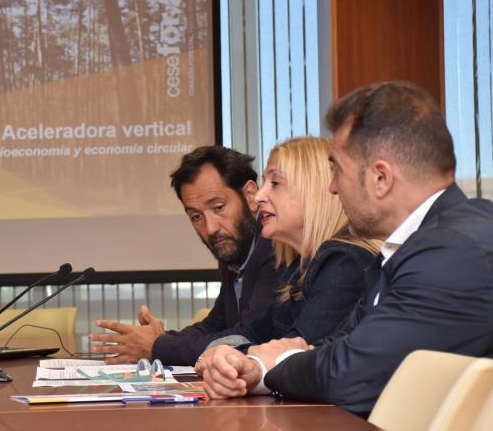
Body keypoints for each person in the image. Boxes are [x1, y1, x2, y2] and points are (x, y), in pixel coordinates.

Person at [198, 81, 493, 416]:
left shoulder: (451, 252)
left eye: (337, 169)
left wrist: (274, 364)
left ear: (381, 178)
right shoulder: (416, 245)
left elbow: (352, 372)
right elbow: (341, 345)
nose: (332, 187)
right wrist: (259, 372)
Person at [195, 137, 379, 376]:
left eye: (275, 183)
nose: (259, 196)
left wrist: (234, 357)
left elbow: (295, 355)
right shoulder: (296, 267)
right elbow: (255, 336)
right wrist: (222, 353)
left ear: (314, 190)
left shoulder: (344, 263)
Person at [89, 146, 279, 366]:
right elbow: (216, 324)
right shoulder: (236, 247)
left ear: (250, 195)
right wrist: (157, 340)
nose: (210, 228)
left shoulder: (274, 246)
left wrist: (157, 346)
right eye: (196, 216)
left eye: (218, 207)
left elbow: (249, 337)